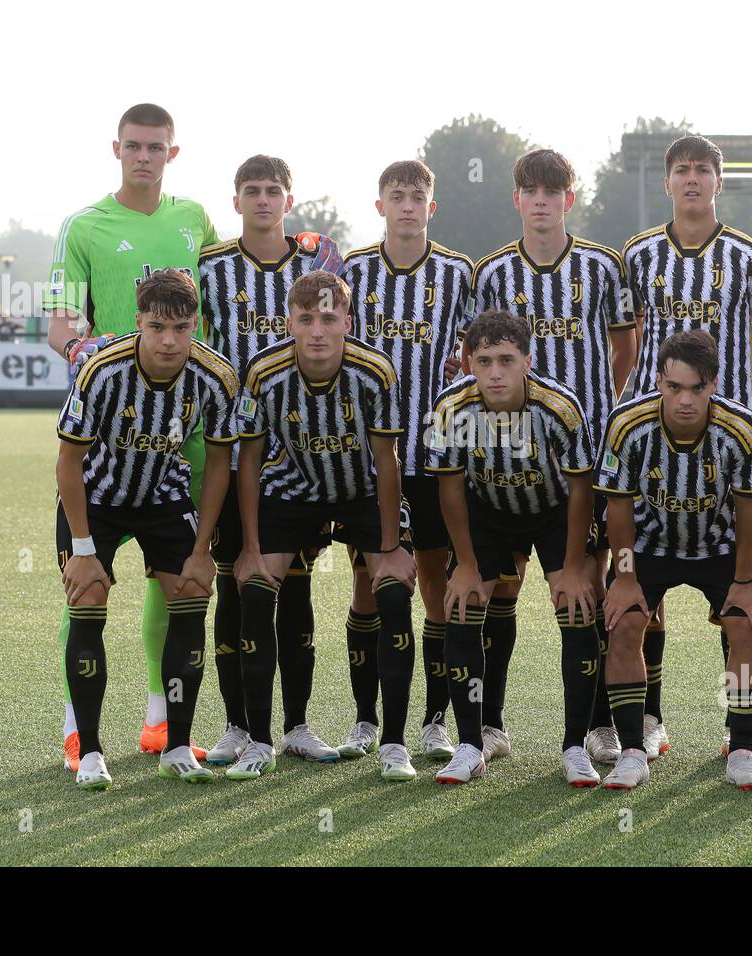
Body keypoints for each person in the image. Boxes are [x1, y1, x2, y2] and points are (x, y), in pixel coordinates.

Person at [42, 103, 222, 773]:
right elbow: (60, 320)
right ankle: (75, 733)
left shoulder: (196, 218)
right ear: (116, 148)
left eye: (157, 147)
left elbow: (230, 280)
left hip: (184, 426)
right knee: (85, 578)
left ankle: (159, 723)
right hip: (109, 417)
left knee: (176, 580)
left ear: (172, 154)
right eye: (135, 146)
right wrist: (82, 346)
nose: (144, 156)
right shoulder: (83, 226)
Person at [468, 148, 636, 769]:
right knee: (500, 595)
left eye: (552, 191)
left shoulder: (602, 266)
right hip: (507, 461)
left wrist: (589, 408)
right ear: (517, 199)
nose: (541, 201)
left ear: (570, 197)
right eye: (529, 191)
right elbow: (481, 353)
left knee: (582, 590)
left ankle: (597, 728)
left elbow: (624, 351)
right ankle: (488, 725)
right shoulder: (490, 273)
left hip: (581, 460)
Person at [623, 134, 752, 762]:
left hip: (723, 441)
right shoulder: (638, 254)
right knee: (647, 580)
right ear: (667, 182)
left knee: (735, 585)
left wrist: (751, 407)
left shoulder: (747, 256)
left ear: (719, 181)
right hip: (653, 439)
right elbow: (623, 338)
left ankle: (736, 736)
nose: (692, 179)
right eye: (681, 170)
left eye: (703, 170)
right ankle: (653, 721)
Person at [232, 271, 419, 782]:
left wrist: (391, 546)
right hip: (293, 488)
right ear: (289, 321)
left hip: (361, 490)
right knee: (253, 588)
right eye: (307, 318)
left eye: (329, 318)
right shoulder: (262, 372)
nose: (318, 330)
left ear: (348, 322)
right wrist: (250, 545)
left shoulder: (374, 371)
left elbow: (387, 461)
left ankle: (394, 743)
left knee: (394, 590)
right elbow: (249, 460)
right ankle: (261, 741)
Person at [55, 268, 238, 789]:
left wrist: (203, 548)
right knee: (87, 596)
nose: (168, 340)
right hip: (97, 497)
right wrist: (84, 549)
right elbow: (68, 462)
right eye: (157, 327)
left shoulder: (215, 377)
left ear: (194, 326)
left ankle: (177, 745)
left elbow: (220, 464)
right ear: (138, 322)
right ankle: (88, 751)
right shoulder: (101, 371)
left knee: (191, 591)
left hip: (163, 494)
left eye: (180, 328)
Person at [196, 154, 344, 767]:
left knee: (300, 586)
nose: (262, 200)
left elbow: (341, 320)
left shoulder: (315, 259)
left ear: (289, 198)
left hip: (301, 452)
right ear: (236, 201)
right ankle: (237, 722)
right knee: (238, 585)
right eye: (252, 191)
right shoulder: (210, 267)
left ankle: (297, 724)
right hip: (233, 452)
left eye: (273, 191)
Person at [427, 309, 600, 786]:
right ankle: (470, 744)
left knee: (576, 607)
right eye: (484, 361)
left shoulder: (559, 406)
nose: (495, 372)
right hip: (487, 512)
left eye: (506, 359)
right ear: (469, 362)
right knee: (462, 607)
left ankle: (574, 746)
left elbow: (583, 487)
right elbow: (450, 486)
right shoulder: (450, 407)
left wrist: (570, 565)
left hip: (553, 511)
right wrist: (464, 563)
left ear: (528, 360)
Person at [338, 159, 473, 763]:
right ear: (380, 206)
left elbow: (473, 354)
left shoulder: (456, 273)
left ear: (431, 207)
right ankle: (367, 718)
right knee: (370, 580)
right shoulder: (354, 271)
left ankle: (434, 720)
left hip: (437, 457)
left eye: (418, 196)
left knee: (436, 586)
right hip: (372, 462)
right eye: (398, 196)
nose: (408, 206)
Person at [596, 330, 752, 791]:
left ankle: (742, 749)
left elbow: (750, 507)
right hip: (650, 544)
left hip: (721, 547)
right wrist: (626, 578)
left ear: (713, 384)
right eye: (674, 387)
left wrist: (743, 580)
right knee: (626, 621)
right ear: (658, 382)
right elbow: (617, 506)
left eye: (696, 388)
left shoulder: (741, 428)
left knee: (745, 624)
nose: (685, 400)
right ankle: (632, 750)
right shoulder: (627, 425)